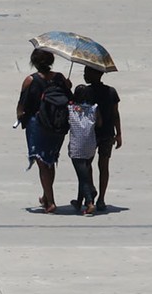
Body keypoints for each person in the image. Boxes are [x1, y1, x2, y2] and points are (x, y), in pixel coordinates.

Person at [16, 48, 71, 212]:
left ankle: (50, 201)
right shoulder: (60, 78)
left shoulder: (30, 80)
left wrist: (19, 117)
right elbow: (70, 97)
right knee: (50, 160)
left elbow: (22, 105)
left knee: (42, 162)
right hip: (57, 124)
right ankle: (46, 196)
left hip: (37, 124)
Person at [72, 66, 121, 212]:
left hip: (90, 134)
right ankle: (101, 199)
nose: (84, 75)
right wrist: (119, 134)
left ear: (95, 74)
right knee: (104, 166)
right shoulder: (111, 91)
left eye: (87, 72)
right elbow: (115, 114)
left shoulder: (86, 91)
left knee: (86, 166)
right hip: (107, 133)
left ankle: (88, 198)